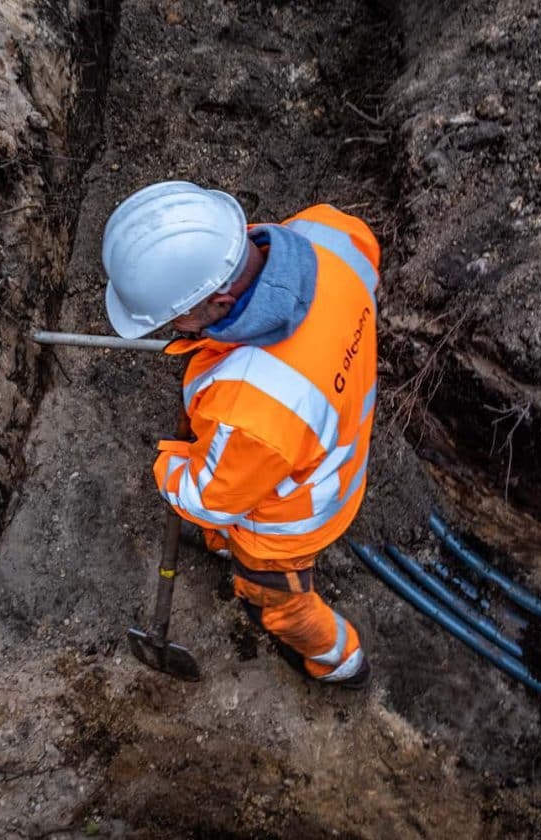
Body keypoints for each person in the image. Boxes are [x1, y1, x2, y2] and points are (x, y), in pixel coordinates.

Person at [102, 181, 379, 688]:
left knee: (277, 604)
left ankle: (339, 662)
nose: (168, 328)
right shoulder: (329, 234)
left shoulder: (252, 407)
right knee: (242, 478)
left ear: (221, 299)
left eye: (172, 318)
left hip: (291, 518)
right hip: (325, 434)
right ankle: (224, 545)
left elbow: (211, 496)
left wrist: (168, 467)